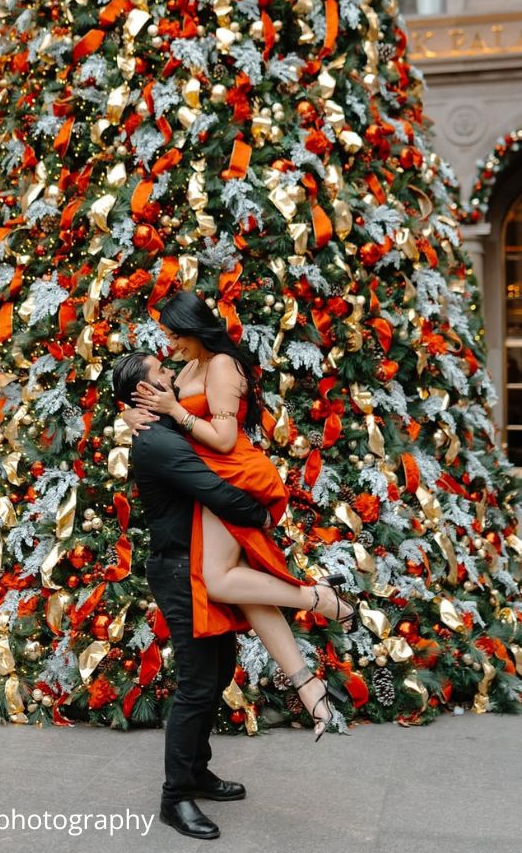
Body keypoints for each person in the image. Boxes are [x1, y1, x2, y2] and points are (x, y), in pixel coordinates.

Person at [124, 291, 357, 743]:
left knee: (219, 580)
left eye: (175, 337)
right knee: (245, 586)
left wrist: (174, 412)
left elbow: (227, 439)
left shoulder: (222, 366)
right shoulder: (191, 366)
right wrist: (134, 415)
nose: (169, 346)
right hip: (212, 482)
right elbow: (163, 409)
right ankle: (309, 686)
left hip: (236, 477)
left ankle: (319, 599)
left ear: (195, 330)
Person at [112, 349, 274, 842]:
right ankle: (174, 797)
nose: (174, 375)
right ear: (144, 392)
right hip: (181, 569)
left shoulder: (162, 426)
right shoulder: (158, 442)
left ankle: (197, 772)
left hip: (201, 565)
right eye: (162, 374)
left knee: (219, 669)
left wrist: (127, 413)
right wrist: (263, 515)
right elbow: (213, 489)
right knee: (198, 683)